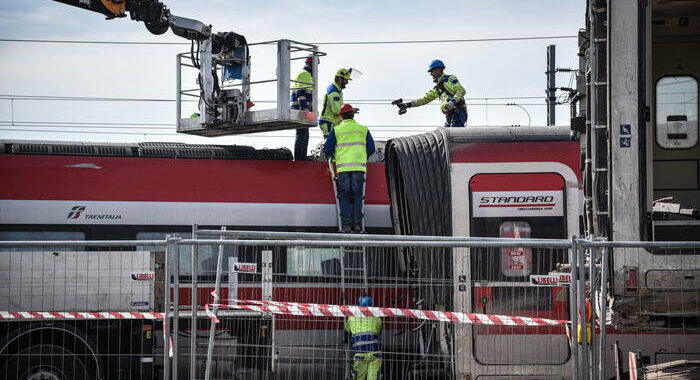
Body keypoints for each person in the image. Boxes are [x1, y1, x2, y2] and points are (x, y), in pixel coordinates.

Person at [323, 104, 375, 233]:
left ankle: (346, 226)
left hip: (343, 169)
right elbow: (371, 149)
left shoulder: (337, 130)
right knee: (357, 196)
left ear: (340, 116)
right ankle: (357, 225)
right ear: (353, 115)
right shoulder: (363, 129)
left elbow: (327, 149)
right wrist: (362, 157)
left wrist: (333, 155)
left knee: (344, 196)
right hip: (359, 167)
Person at [396, 59, 468, 127]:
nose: (431, 74)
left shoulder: (449, 79)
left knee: (455, 135)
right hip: (449, 115)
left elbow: (461, 91)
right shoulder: (437, 89)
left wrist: (453, 102)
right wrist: (406, 105)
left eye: (432, 71)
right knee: (446, 135)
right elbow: (424, 100)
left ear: (438, 70)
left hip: (458, 112)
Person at [345, 296, 382, 380]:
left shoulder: (351, 317)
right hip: (375, 353)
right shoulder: (377, 318)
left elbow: (346, 331)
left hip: (360, 353)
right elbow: (378, 333)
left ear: (360, 306)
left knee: (358, 377)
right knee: (374, 378)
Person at [291, 56, 317, 160]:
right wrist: (305, 108)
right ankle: (299, 159)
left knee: (305, 133)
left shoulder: (308, 75)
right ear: (312, 64)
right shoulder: (304, 74)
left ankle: (302, 157)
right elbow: (300, 92)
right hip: (301, 108)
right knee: (301, 133)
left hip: (304, 109)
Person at [319, 68, 352, 139]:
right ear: (340, 79)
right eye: (346, 80)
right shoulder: (334, 92)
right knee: (329, 146)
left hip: (331, 122)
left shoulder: (336, 91)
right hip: (329, 122)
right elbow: (337, 110)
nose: (347, 82)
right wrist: (350, 111)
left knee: (332, 145)